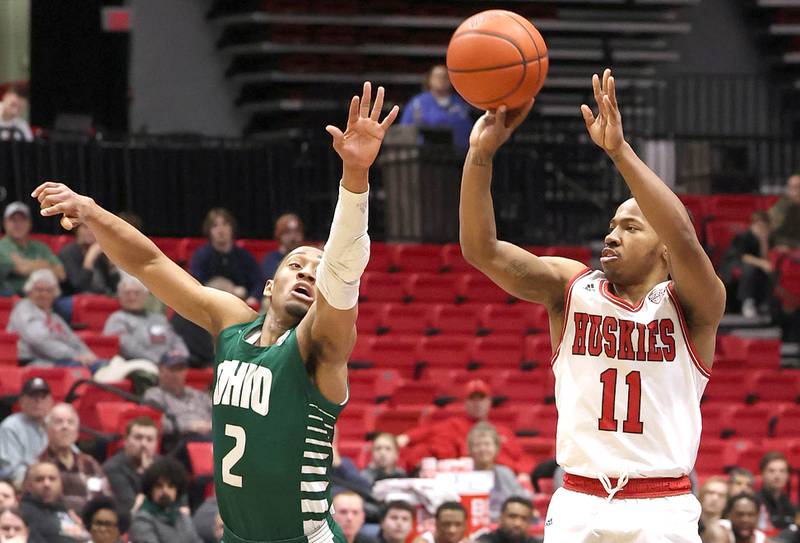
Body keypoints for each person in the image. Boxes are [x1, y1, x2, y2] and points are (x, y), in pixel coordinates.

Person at [33, 81, 399, 543]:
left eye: (317, 271)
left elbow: (345, 267)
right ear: (269, 284)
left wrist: (355, 178)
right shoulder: (231, 321)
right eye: (296, 265)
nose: (309, 273)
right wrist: (91, 210)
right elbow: (150, 264)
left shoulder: (319, 347)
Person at [459, 68, 724, 541]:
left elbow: (682, 233)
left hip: (662, 504)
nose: (611, 234)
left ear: (663, 250)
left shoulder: (694, 305)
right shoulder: (571, 287)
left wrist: (618, 151)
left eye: (630, 227)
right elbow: (483, 251)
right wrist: (480, 157)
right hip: (580, 499)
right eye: (612, 224)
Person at [398, 380, 534, 475]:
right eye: (472, 399)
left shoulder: (502, 431)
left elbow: (522, 457)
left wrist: (523, 473)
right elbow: (424, 432)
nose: (477, 404)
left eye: (481, 399)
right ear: (465, 403)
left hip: (500, 476)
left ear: (489, 402)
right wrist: (406, 437)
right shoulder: (452, 425)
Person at [7, 269, 101, 369]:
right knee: (85, 368)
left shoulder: (54, 317)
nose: (44, 294)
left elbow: (73, 340)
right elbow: (39, 341)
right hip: (32, 362)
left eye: (48, 291)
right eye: (39, 290)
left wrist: (89, 356)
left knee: (101, 365)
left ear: (54, 295)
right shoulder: (23, 309)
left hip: (58, 360)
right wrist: (75, 355)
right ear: (29, 292)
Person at [38, 403, 111, 513]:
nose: (65, 427)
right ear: (47, 430)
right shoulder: (40, 465)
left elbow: (105, 497)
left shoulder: (89, 463)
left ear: (77, 433)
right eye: (59, 422)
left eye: (70, 422)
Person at [103, 274, 189, 363]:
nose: (132, 297)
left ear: (145, 296)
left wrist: (180, 355)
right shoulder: (117, 319)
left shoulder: (159, 319)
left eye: (137, 293)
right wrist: (160, 361)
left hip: (169, 364)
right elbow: (128, 347)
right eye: (127, 293)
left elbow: (175, 340)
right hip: (135, 365)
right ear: (120, 296)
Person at [189, 208, 264, 306]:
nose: (221, 230)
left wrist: (253, 298)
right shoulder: (201, 256)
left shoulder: (244, 256)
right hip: (209, 305)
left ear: (232, 227)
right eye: (215, 226)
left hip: (242, 305)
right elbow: (195, 285)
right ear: (209, 231)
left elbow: (258, 282)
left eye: (225, 224)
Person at [467, 422, 531, 523]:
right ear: (470, 449)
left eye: (487, 444)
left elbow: (522, 499)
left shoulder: (506, 473)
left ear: (496, 448)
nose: (483, 449)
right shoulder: (464, 475)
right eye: (477, 445)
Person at [399, 65, 472, 150]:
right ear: (429, 80)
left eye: (445, 77)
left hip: (454, 156)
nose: (441, 80)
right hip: (422, 155)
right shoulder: (417, 103)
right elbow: (405, 130)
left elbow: (465, 131)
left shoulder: (460, 105)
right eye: (437, 76)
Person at [128, 458, 201, 543]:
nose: (165, 491)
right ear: (150, 489)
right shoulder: (141, 520)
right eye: (159, 486)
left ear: (177, 490)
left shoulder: (183, 518)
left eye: (170, 486)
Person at [0, 201, 65, 296]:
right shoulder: (2, 246)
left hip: (47, 296)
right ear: (5, 224)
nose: (18, 224)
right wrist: (45, 265)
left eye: (22, 220)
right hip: (14, 297)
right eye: (14, 220)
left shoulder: (40, 246)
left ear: (30, 223)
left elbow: (61, 274)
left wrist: (26, 263)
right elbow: (22, 269)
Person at [142, 352, 211, 439]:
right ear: (161, 370)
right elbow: (155, 424)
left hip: (211, 435)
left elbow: (218, 413)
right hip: (180, 439)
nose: (177, 374)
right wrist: (190, 426)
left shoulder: (198, 395)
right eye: (173, 369)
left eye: (181, 369)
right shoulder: (154, 396)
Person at [719, 211, 774, 317]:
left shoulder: (767, 238)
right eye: (759, 225)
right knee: (750, 268)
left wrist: (764, 241)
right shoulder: (743, 236)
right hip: (733, 263)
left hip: (755, 264)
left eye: (764, 226)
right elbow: (743, 256)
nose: (761, 229)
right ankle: (747, 301)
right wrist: (762, 263)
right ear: (753, 225)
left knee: (770, 269)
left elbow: (765, 257)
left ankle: (766, 303)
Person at [18, 462, 88, 543]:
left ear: (60, 484)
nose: (47, 484)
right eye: (39, 479)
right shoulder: (23, 513)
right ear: (29, 486)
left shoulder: (67, 510)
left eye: (52, 479)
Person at [101, 417, 160, 513]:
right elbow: (131, 507)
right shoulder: (113, 468)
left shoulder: (164, 465)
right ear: (125, 440)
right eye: (138, 438)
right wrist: (149, 474)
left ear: (156, 443)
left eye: (149, 439)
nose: (144, 444)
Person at [0, 378, 52, 486]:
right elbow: (12, 471)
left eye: (43, 397)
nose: (38, 401)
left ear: (51, 401)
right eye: (33, 396)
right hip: (24, 487)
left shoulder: (55, 424)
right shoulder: (10, 426)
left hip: (52, 483)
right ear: (21, 401)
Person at [58, 223, 119, 296]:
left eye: (94, 228)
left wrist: (111, 264)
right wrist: (90, 258)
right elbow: (78, 287)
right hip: (75, 299)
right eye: (85, 227)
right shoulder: (68, 252)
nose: (90, 231)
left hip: (103, 297)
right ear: (77, 230)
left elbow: (116, 287)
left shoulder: (101, 252)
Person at [757, 451, 796, 532]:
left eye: (782, 471)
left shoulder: (790, 504)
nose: (777, 476)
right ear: (762, 474)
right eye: (771, 471)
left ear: (787, 475)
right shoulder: (755, 502)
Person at [261, 214, 306, 281]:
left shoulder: (307, 258)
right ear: (279, 235)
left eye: (297, 232)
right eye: (288, 232)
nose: (293, 237)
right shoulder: (271, 259)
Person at [476, 497, 541, 543]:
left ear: (529, 523)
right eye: (512, 516)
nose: (517, 523)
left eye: (524, 519)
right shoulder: (485, 540)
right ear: (501, 517)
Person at [769, 174, 800, 250]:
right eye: (791, 187)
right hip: (784, 243)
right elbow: (773, 229)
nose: (794, 190)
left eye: (797, 187)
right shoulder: (783, 205)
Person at [699, 476, 729, 543]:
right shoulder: (689, 524)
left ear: (726, 501)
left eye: (721, 495)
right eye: (710, 493)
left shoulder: (730, 531)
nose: (715, 498)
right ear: (701, 495)